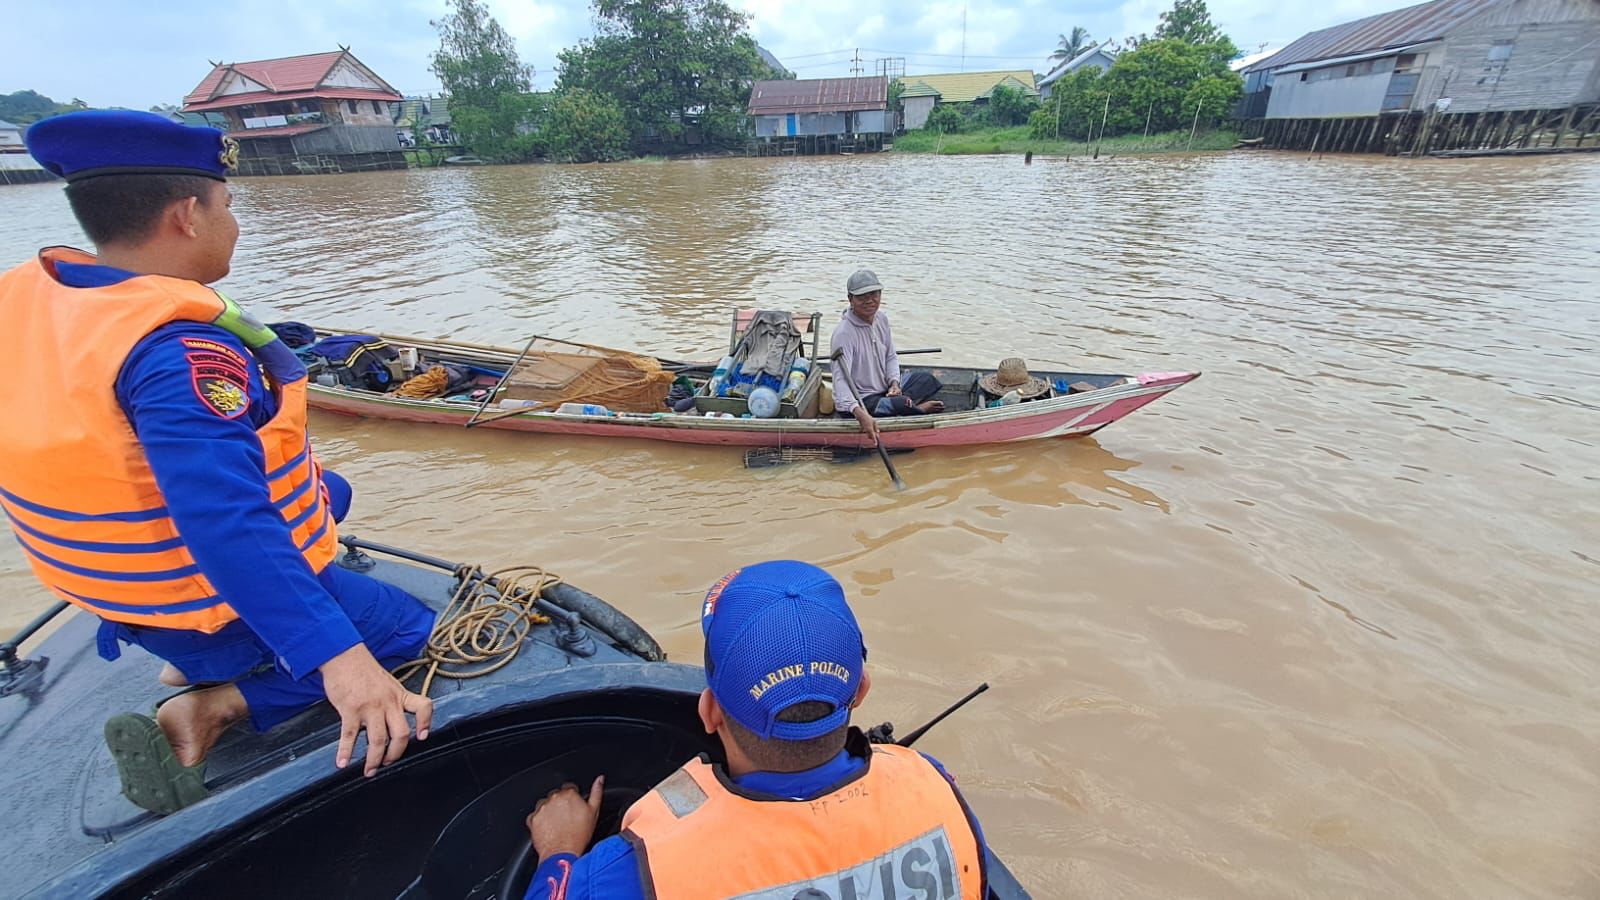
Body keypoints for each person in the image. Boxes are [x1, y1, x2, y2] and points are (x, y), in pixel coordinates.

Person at [0, 110, 436, 813]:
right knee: (407, 627)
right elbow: (224, 523)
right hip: (193, 601)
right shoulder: (178, 357)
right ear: (186, 217)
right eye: (227, 207)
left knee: (335, 490)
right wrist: (342, 661)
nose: (235, 224)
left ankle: (198, 658)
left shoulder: (33, 297)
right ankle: (217, 699)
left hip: (109, 586)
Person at [521, 560, 989, 899]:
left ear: (710, 712)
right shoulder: (937, 790)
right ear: (861, 689)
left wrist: (558, 852)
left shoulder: (635, 870)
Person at [829, 269, 943, 444]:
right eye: (862, 296)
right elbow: (840, 383)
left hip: (884, 389)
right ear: (850, 299)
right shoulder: (844, 334)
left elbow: (890, 356)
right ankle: (916, 410)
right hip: (863, 400)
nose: (869, 300)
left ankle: (904, 403)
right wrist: (861, 415)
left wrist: (894, 383)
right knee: (902, 404)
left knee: (927, 379)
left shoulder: (881, 319)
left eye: (873, 294)